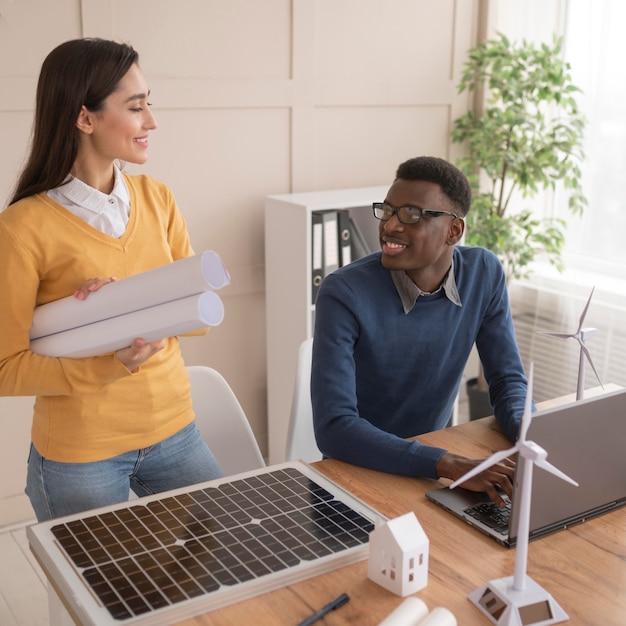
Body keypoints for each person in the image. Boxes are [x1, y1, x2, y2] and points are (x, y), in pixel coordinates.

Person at [0, 38, 224, 522]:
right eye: (136, 107)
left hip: (175, 430)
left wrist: (125, 307)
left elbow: (200, 317)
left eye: (149, 105)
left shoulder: (158, 197)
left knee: (220, 559)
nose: (151, 122)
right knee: (106, 595)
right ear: (86, 119)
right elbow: (6, 367)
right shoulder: (22, 228)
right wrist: (106, 356)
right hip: (81, 454)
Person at [311, 156, 530, 507]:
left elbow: (507, 380)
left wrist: (529, 437)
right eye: (388, 211)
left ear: (453, 231)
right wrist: (447, 464)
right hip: (360, 473)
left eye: (411, 214)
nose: (390, 226)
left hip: (432, 471)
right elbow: (334, 428)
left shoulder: (483, 272)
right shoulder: (344, 292)